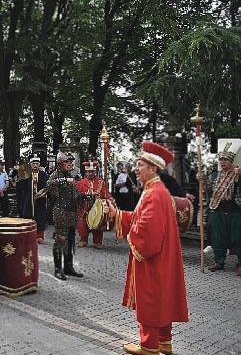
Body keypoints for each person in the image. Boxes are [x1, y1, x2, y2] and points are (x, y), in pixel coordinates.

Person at [107, 141, 188, 355]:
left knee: (150, 299)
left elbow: (148, 232)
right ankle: (164, 342)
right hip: (164, 257)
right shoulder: (157, 190)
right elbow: (139, 218)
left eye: (140, 165)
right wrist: (118, 215)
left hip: (152, 259)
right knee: (162, 297)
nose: (135, 168)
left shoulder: (153, 193)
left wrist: (132, 233)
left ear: (153, 168)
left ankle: (149, 346)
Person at [204, 143, 241, 274]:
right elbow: (207, 189)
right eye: (221, 160)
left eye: (225, 160)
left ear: (231, 161)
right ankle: (219, 262)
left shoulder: (238, 172)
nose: (223, 162)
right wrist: (200, 179)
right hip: (218, 208)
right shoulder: (215, 175)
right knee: (217, 237)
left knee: (238, 237)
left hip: (236, 208)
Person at [47, 151, 84, 281]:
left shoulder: (73, 176)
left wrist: (85, 196)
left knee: (71, 239)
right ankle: (58, 269)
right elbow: (49, 185)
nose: (70, 163)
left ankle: (68, 267)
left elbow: (76, 194)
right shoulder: (55, 175)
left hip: (71, 212)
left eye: (70, 162)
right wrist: (63, 180)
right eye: (67, 162)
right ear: (60, 163)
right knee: (60, 239)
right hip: (60, 211)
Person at [76, 160, 114, 249]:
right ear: (86, 172)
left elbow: (106, 193)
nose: (90, 173)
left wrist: (109, 198)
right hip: (84, 207)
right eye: (88, 172)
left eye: (92, 171)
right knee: (83, 224)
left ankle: (97, 241)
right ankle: (83, 240)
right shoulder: (81, 183)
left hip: (97, 207)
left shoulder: (101, 182)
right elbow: (77, 194)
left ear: (95, 172)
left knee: (98, 224)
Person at [16, 155, 49, 244]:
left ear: (39, 164)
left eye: (37, 163)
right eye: (33, 163)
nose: (35, 165)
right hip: (28, 199)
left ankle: (40, 236)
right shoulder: (26, 174)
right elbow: (21, 188)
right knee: (28, 215)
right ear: (30, 164)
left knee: (40, 216)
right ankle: (28, 235)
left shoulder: (43, 174)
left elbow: (47, 187)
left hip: (40, 199)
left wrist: (43, 193)